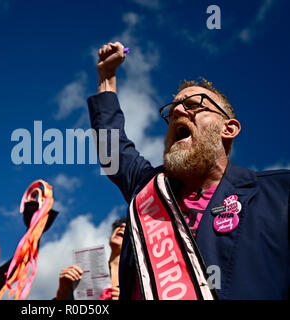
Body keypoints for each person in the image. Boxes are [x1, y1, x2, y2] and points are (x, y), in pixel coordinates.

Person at [87, 42, 289, 300]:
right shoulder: (149, 188)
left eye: (195, 104)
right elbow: (112, 149)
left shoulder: (279, 195)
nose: (178, 111)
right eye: (172, 111)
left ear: (229, 129)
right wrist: (106, 76)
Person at [55, 217, 126, 300]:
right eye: (119, 225)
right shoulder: (86, 272)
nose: (123, 226)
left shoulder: (138, 280)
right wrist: (62, 290)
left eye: (128, 228)